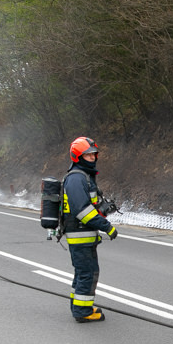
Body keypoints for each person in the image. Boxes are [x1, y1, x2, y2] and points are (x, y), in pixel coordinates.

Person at [62, 137, 118, 323]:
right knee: (88, 273)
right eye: (88, 154)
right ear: (78, 156)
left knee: (82, 272)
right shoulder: (76, 178)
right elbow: (82, 210)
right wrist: (106, 227)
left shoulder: (82, 176)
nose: (92, 157)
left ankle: (79, 306)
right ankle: (83, 312)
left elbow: (89, 206)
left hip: (83, 235)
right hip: (80, 235)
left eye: (94, 153)